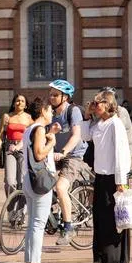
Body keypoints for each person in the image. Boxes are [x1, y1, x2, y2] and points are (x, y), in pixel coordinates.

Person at [82, 89, 132, 263]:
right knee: (100, 218)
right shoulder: (99, 124)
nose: (94, 106)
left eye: (97, 103)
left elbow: (121, 154)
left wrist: (121, 180)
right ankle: (100, 257)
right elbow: (85, 136)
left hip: (114, 178)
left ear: (108, 104)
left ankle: (114, 260)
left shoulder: (115, 124)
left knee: (114, 220)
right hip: (101, 177)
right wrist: (87, 116)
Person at [48, 79, 87, 245]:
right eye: (50, 95)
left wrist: (64, 151)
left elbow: (76, 135)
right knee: (40, 180)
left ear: (65, 97)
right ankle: (52, 214)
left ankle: (68, 227)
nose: (52, 98)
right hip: (55, 154)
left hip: (72, 155)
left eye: (55, 95)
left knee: (60, 187)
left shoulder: (73, 111)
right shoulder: (50, 112)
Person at [21, 95, 56, 263]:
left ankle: (28, 262)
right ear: (43, 111)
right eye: (50, 110)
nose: (52, 113)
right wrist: (52, 143)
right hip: (40, 181)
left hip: (28, 179)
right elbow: (39, 154)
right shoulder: (40, 129)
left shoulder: (29, 129)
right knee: (38, 224)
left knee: (31, 223)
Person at [0, 94, 33, 197]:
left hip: (23, 148)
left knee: (22, 181)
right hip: (9, 148)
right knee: (10, 181)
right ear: (14, 103)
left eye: (22, 101)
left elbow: (33, 134)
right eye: (17, 101)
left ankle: (20, 211)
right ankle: (11, 210)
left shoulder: (29, 118)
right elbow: (1, 136)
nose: (20, 103)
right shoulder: (7, 117)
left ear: (26, 105)